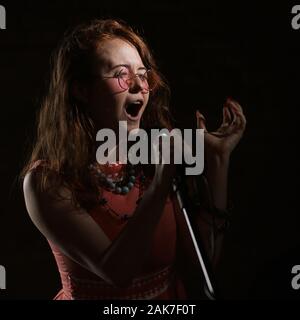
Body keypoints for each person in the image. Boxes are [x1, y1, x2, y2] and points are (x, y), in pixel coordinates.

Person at [21, 19, 246, 300]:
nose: (140, 86)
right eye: (121, 75)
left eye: (143, 74)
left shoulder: (149, 159)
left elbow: (205, 259)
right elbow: (118, 272)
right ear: (81, 89)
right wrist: (163, 180)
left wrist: (217, 161)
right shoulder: (46, 181)